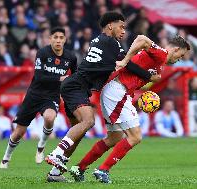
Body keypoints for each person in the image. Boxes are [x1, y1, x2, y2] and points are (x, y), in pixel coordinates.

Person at [45, 11, 160, 182]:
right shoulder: (110, 42)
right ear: (110, 26)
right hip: (76, 85)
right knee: (88, 121)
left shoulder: (101, 41)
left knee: (78, 131)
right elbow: (127, 65)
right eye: (121, 27)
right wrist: (149, 76)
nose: (123, 31)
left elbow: (123, 64)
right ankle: (57, 153)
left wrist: (142, 74)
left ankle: (55, 173)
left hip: (77, 86)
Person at [68, 35, 190, 183]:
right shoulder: (161, 53)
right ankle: (103, 169)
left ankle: (79, 168)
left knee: (115, 137)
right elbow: (141, 39)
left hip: (115, 91)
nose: (180, 59)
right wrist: (126, 60)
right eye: (181, 55)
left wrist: (150, 79)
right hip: (118, 91)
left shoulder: (159, 62)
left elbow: (141, 72)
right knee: (136, 136)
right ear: (176, 49)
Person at [0, 27, 77, 169]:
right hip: (34, 95)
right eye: (55, 37)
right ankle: (6, 157)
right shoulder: (42, 53)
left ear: (65, 39)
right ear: (50, 39)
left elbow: (75, 75)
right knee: (19, 133)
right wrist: (61, 78)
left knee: (50, 117)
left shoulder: (71, 57)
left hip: (51, 96)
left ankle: (41, 146)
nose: (58, 40)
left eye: (61, 37)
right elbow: (40, 76)